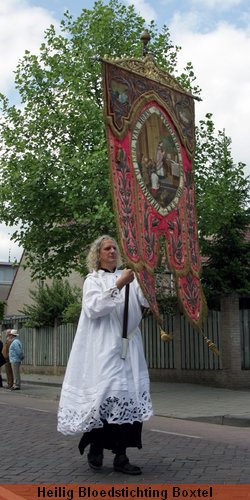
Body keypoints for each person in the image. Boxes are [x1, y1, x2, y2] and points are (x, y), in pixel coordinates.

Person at [57, 235, 153, 475]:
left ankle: (121, 456)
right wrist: (120, 283)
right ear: (98, 254)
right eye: (107, 248)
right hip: (105, 348)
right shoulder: (93, 280)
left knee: (129, 399)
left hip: (129, 348)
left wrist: (145, 275)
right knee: (105, 399)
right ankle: (96, 448)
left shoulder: (130, 277)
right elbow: (94, 308)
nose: (112, 251)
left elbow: (147, 301)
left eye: (114, 248)